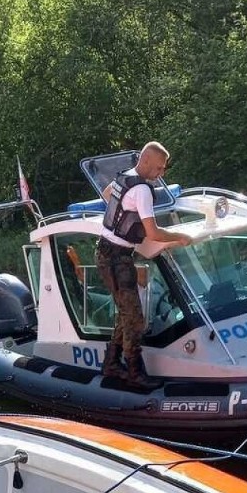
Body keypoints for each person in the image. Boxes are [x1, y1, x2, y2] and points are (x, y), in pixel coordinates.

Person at [96, 142, 192, 390]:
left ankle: (111, 363)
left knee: (126, 311)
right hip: (117, 258)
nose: (161, 173)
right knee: (135, 319)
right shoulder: (142, 190)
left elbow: (108, 194)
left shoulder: (125, 177)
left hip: (106, 252)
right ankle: (134, 372)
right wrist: (181, 237)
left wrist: (128, 217)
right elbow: (154, 233)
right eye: (159, 168)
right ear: (146, 160)